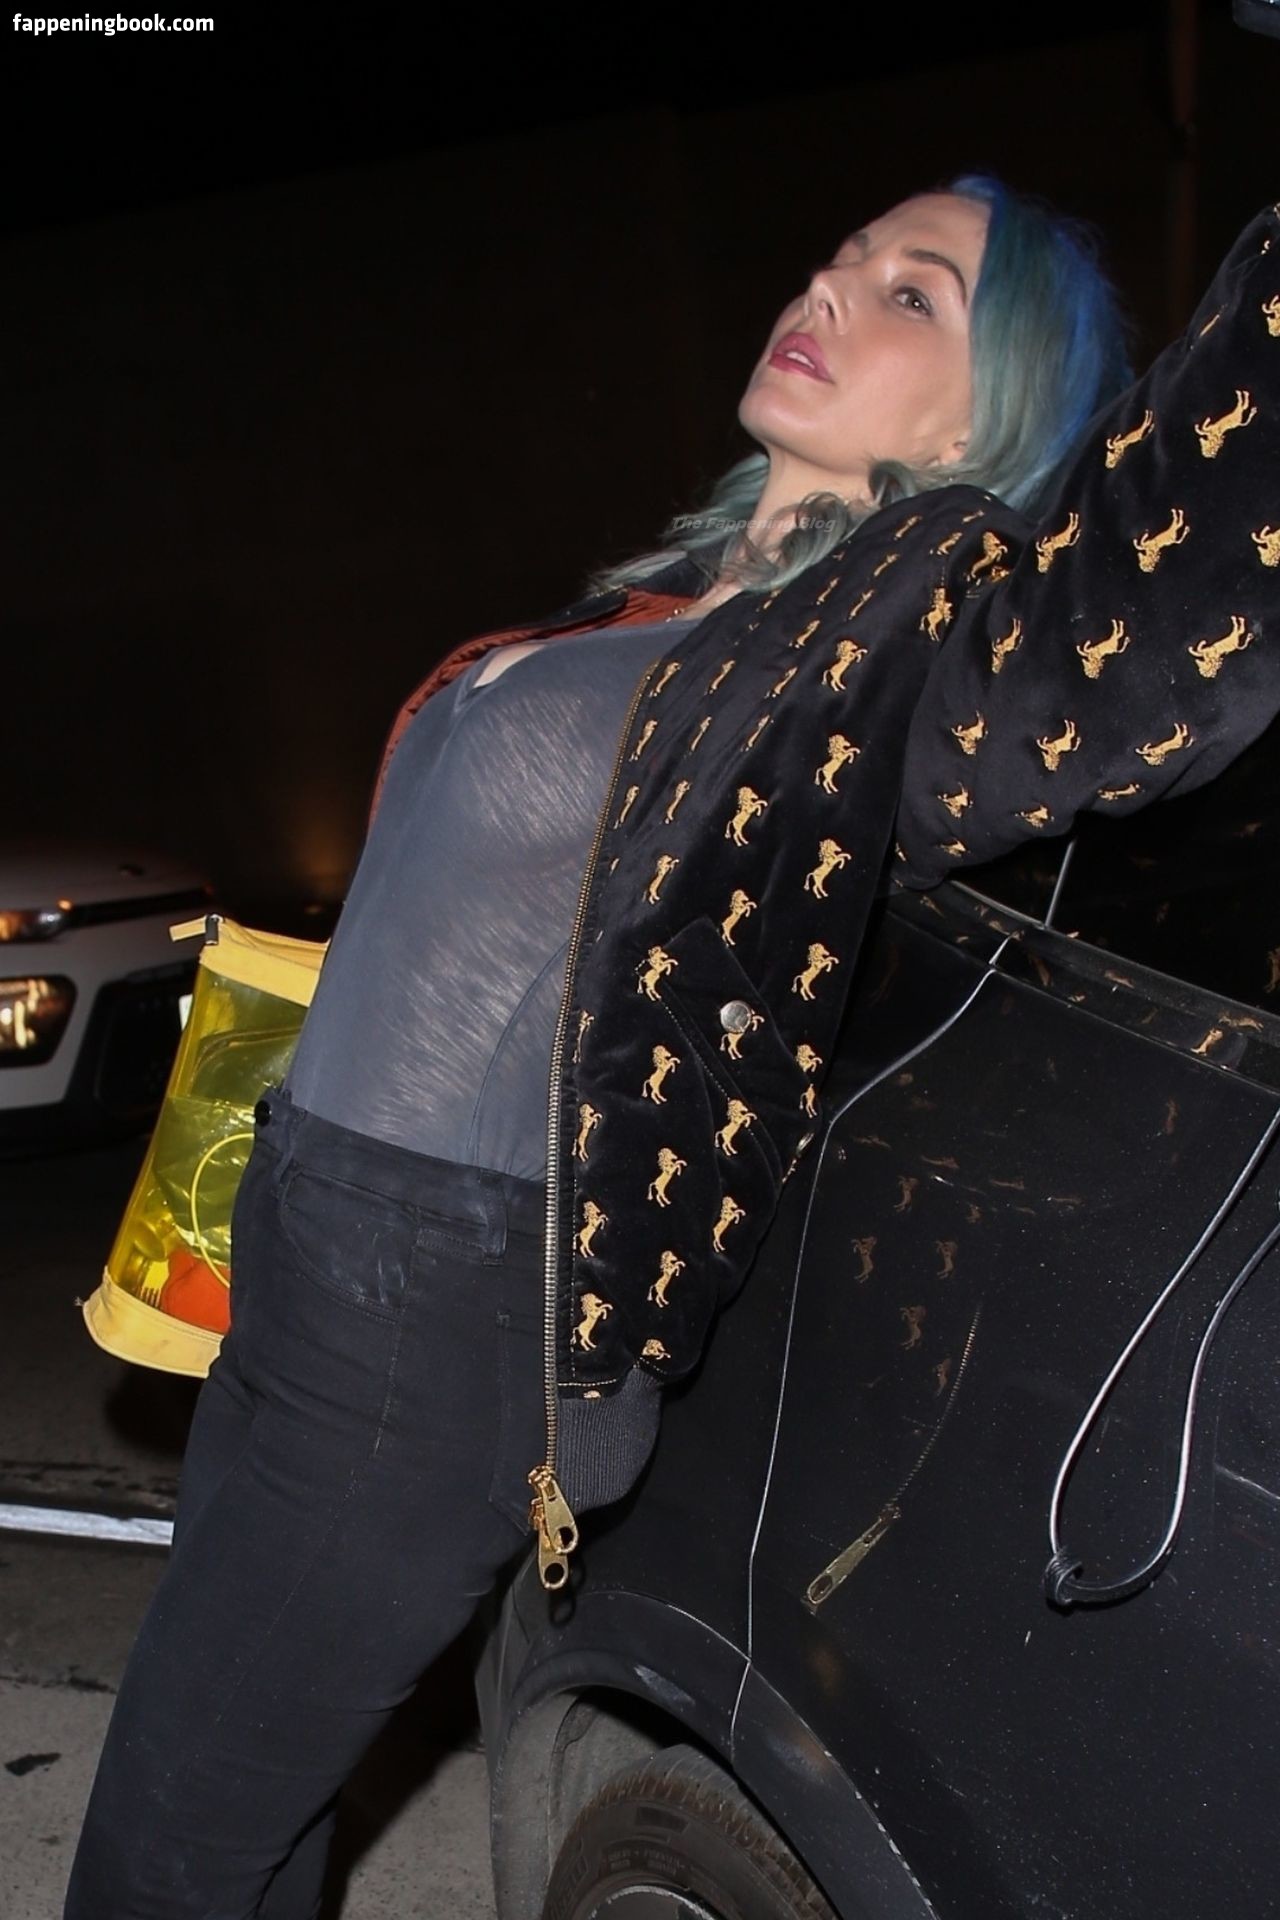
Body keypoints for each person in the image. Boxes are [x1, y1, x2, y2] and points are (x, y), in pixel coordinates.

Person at [66, 175, 1280, 1918]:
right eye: (842, 258)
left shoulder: (878, 673)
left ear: (986, 419)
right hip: (303, 1236)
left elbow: (1154, 637)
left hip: (437, 1317)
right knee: (248, 1821)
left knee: (165, 1842)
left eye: (914, 294)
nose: (831, 289)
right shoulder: (681, 607)